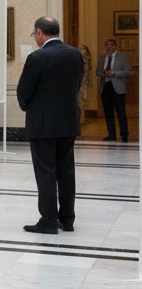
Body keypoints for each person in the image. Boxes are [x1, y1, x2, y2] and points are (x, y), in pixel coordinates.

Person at [16, 16, 85, 234]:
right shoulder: (75, 55)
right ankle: (67, 219)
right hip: (68, 123)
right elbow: (76, 85)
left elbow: (24, 91)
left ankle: (48, 220)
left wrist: (26, 106)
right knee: (66, 171)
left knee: (46, 172)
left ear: (39, 32)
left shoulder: (37, 57)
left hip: (43, 125)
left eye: (34, 34)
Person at [96, 37, 130, 142]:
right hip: (105, 87)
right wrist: (104, 73)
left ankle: (124, 134)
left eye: (111, 45)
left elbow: (128, 72)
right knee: (108, 112)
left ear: (115, 46)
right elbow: (97, 72)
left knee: (121, 112)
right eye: (107, 45)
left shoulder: (123, 57)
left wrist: (115, 73)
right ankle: (111, 135)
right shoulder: (102, 58)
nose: (109, 47)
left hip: (118, 88)